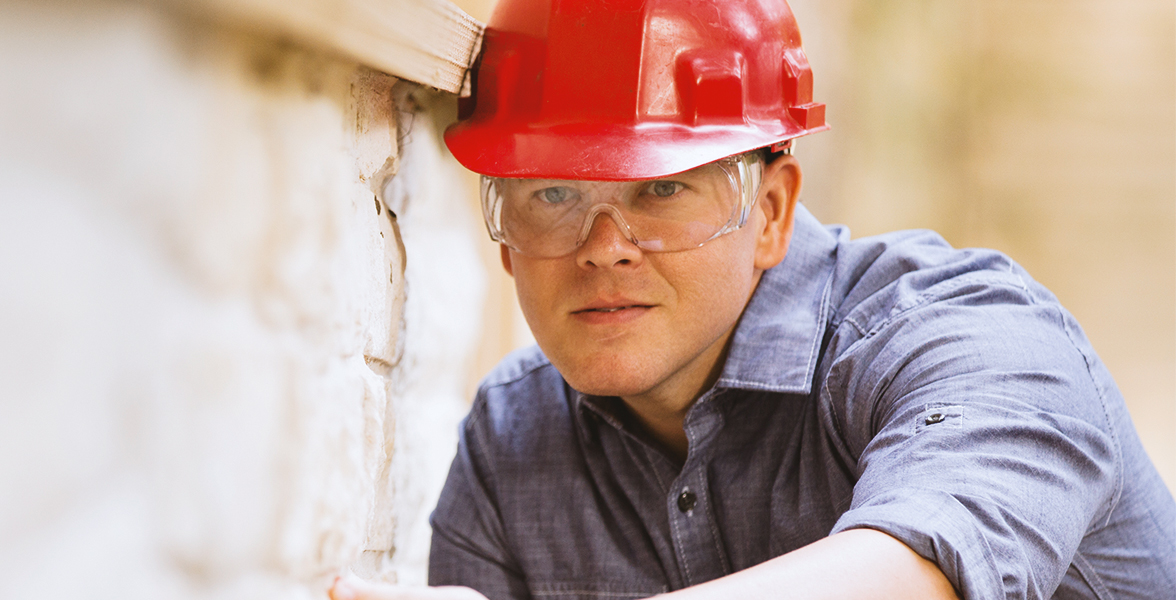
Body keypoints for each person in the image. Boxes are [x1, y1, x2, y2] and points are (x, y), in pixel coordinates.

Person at [329, 1, 1176, 599]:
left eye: (661, 191)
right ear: (503, 237)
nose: (603, 245)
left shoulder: (975, 340)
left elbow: (918, 571)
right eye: (552, 193)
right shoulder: (514, 446)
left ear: (769, 212)